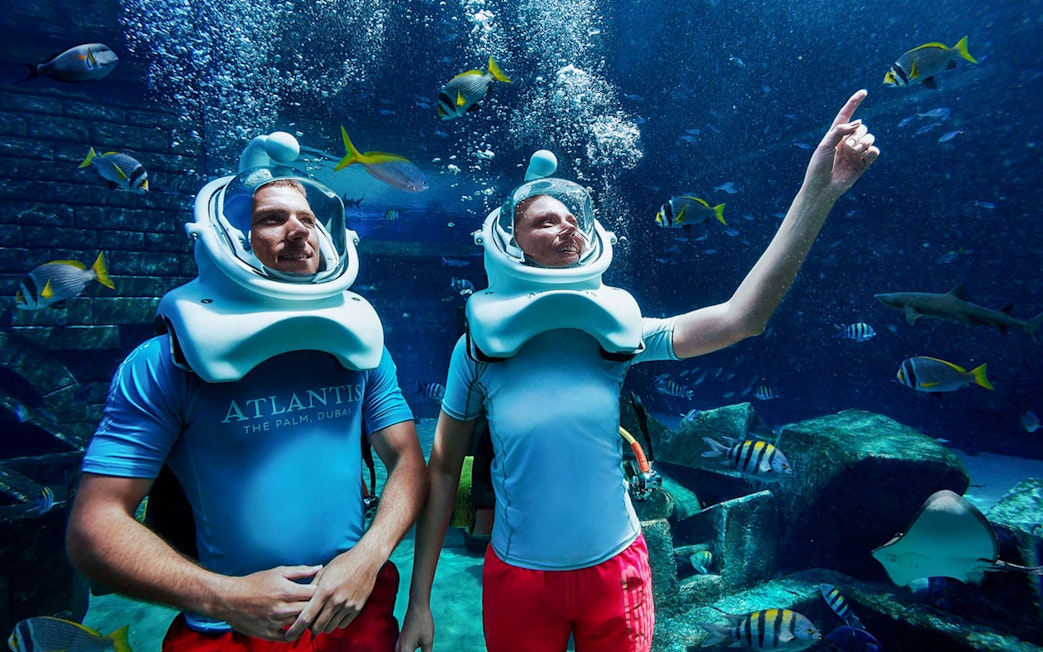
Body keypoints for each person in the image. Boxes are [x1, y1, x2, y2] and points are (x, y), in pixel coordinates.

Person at [396, 90, 879, 652]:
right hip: (520, 575)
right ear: (512, 244)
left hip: (616, 570)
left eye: (573, 218)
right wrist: (420, 602)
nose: (567, 227)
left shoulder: (618, 334)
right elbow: (443, 468)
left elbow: (741, 318)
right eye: (545, 221)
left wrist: (818, 192)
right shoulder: (478, 351)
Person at [66, 132, 428, 651]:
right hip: (229, 627)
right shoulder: (166, 363)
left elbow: (408, 463)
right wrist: (222, 596)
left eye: (308, 219)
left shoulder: (360, 349)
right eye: (271, 218)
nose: (298, 231)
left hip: (352, 604)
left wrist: (367, 557)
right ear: (230, 237)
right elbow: (94, 527)